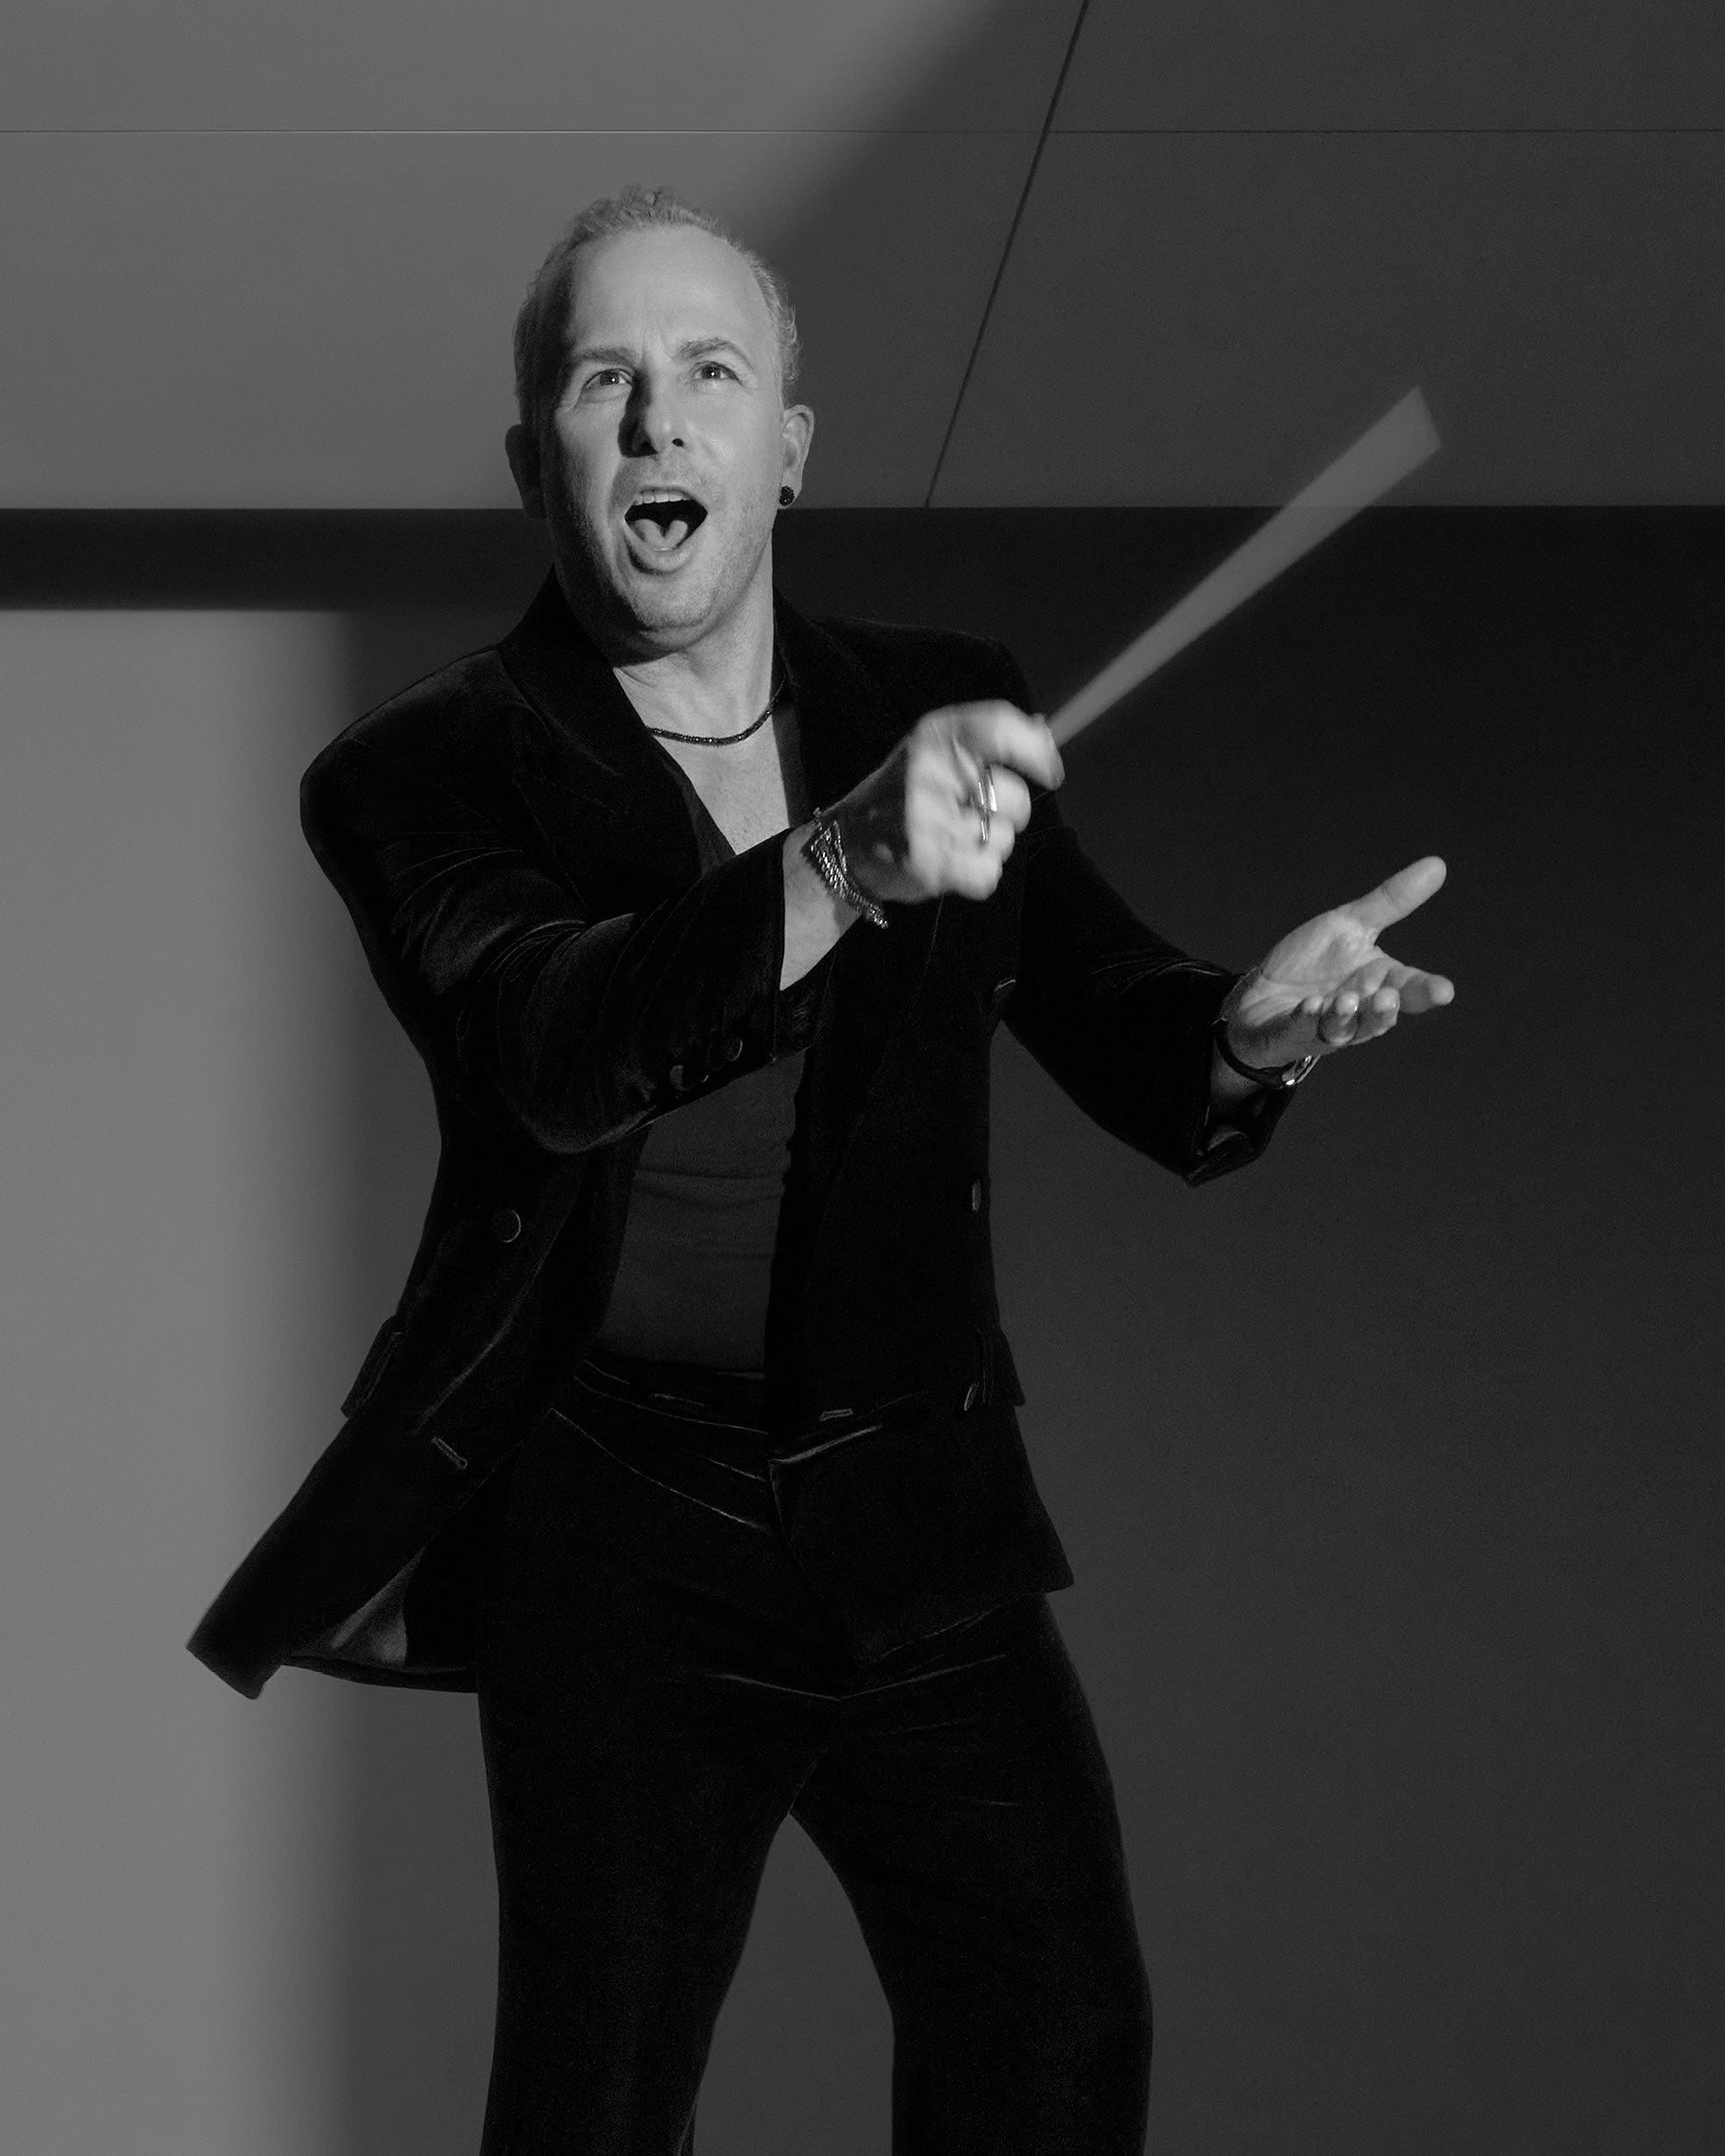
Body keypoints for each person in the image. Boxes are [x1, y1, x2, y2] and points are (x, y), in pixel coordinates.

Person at [189, 185, 1454, 2153]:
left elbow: (1116, 1018)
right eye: (602, 379)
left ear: (786, 447)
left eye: (711, 372)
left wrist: (1248, 1028)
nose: (657, 417)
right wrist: (841, 861)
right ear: (534, 462)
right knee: (599, 2095)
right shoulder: (414, 771)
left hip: (906, 1480)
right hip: (615, 1509)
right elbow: (554, 1048)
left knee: (1057, 2034)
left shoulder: (927, 701)